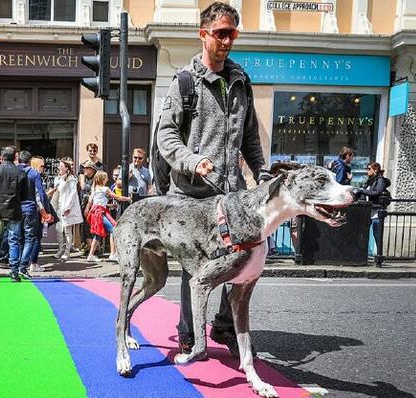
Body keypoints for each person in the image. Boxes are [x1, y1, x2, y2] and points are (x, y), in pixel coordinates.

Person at [157, 1, 265, 358]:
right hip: (190, 194)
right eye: (220, 33)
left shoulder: (240, 81)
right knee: (196, 265)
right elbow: (166, 135)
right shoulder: (185, 82)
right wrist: (192, 160)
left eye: (232, 33)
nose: (227, 40)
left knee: (239, 262)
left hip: (231, 193)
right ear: (203, 34)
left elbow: (249, 138)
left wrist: (261, 171)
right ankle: (188, 330)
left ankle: (222, 326)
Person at [0, 146, 28, 282]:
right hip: (14, 211)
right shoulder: (21, 173)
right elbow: (25, 195)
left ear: (2, 158)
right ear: (15, 157)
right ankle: (14, 273)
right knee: (14, 242)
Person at [17, 150, 53, 279]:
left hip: (15, 209)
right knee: (30, 238)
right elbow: (41, 194)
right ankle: (23, 266)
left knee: (17, 238)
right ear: (29, 161)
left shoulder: (14, 172)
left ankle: (16, 266)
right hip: (30, 209)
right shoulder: (34, 173)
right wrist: (46, 212)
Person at [84, 170, 131, 262]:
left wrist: (87, 210)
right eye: (106, 178)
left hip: (95, 212)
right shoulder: (105, 189)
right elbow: (117, 197)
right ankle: (113, 254)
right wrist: (128, 198)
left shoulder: (95, 188)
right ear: (102, 179)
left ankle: (91, 255)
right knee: (113, 230)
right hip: (100, 213)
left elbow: (92, 202)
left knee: (97, 234)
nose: (107, 179)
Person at [48, 157, 83, 261]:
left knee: (67, 231)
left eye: (61, 166)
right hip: (58, 207)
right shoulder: (58, 179)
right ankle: (60, 249)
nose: (59, 168)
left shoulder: (72, 179)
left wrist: (68, 207)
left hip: (67, 208)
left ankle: (67, 251)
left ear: (67, 168)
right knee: (58, 230)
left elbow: (73, 194)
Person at [360, 162, 391, 254]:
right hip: (368, 209)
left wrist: (362, 191)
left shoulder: (380, 180)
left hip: (377, 210)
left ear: (375, 170)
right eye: (367, 168)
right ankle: (364, 253)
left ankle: (379, 255)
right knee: (364, 232)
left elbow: (377, 192)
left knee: (377, 233)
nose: (367, 171)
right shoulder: (370, 180)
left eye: (369, 169)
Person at [79, 160, 98, 254]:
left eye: (86, 168)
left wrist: (87, 206)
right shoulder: (84, 178)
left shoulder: (96, 179)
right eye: (84, 168)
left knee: (91, 225)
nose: (84, 169)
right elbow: (83, 187)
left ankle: (93, 249)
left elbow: (93, 193)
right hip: (84, 204)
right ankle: (87, 247)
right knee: (85, 226)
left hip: (92, 205)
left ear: (92, 170)